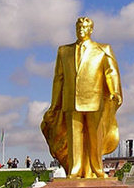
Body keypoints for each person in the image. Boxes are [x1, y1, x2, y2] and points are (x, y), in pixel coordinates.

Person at [41, 16, 122, 179]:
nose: (81, 31)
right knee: (74, 137)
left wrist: (115, 91)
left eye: (85, 28)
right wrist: (55, 104)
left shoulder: (102, 49)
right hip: (71, 101)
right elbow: (59, 79)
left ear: (91, 30)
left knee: (95, 136)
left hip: (94, 100)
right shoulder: (64, 51)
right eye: (78, 28)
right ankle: (75, 169)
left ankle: (97, 168)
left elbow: (110, 72)